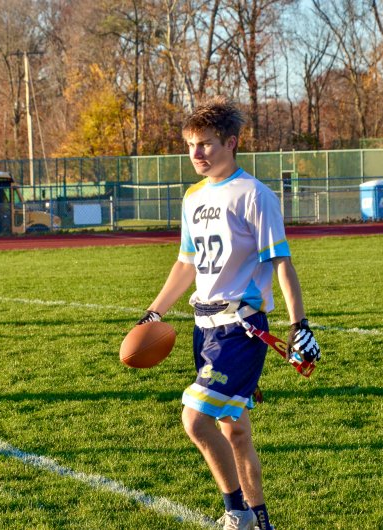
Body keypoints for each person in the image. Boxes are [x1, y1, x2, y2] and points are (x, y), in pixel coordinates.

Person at [136, 97, 320, 530]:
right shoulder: (193, 197)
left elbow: (281, 262)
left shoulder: (255, 194)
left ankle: (235, 512)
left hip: (241, 330)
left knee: (194, 418)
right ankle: (260, 520)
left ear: (231, 143)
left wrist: (300, 324)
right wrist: (153, 313)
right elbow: (186, 264)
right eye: (191, 146)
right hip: (205, 329)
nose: (196, 154)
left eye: (205, 145)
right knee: (235, 432)